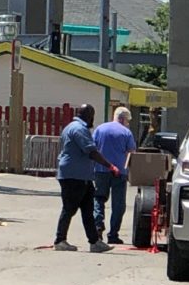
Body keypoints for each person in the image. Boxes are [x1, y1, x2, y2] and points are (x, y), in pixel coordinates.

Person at [54, 104, 120, 253]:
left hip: (81, 176)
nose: (92, 120)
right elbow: (91, 151)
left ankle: (95, 242)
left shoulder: (71, 126)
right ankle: (60, 240)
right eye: (92, 116)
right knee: (69, 208)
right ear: (88, 115)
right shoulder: (79, 129)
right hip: (74, 175)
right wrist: (110, 166)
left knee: (87, 209)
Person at [93, 106, 138, 245]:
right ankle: (113, 234)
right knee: (118, 204)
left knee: (99, 198)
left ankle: (98, 226)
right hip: (119, 172)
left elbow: (92, 147)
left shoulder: (100, 129)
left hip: (100, 170)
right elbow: (131, 152)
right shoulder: (126, 133)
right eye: (128, 120)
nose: (128, 123)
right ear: (122, 119)